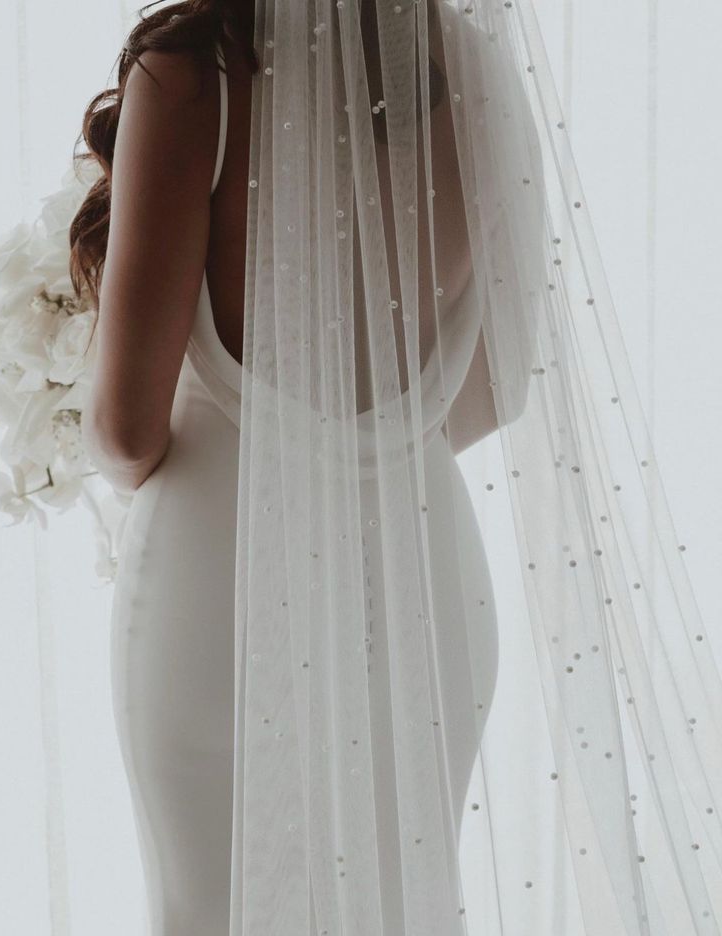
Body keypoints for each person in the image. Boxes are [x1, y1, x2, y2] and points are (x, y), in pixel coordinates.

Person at [73, 2, 498, 932]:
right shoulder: (476, 63)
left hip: (216, 579)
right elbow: (498, 389)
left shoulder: (191, 71)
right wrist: (366, 449)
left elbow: (125, 430)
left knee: (207, 906)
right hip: (423, 569)